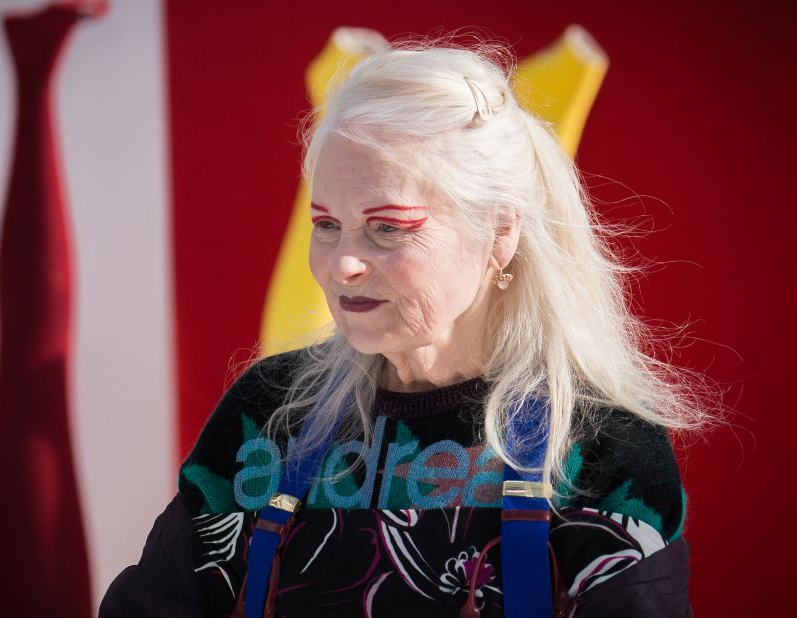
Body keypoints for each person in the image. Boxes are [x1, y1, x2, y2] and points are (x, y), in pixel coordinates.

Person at [100, 41, 707, 617]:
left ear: (501, 232)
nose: (342, 264)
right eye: (327, 223)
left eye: (388, 227)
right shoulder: (269, 412)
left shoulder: (604, 444)